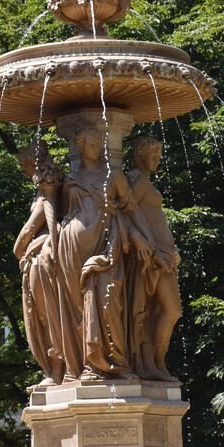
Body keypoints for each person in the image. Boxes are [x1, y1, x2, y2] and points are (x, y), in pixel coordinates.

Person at [56, 123, 154, 380]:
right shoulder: (70, 180)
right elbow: (61, 215)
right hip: (72, 248)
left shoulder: (114, 176)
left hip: (107, 246)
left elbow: (131, 210)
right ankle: (86, 366)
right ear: (79, 145)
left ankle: (116, 364)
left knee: (109, 299)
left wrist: (145, 239)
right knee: (78, 308)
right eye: (90, 144)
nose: (95, 148)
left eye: (98, 144)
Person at [127, 137, 182, 382]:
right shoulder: (137, 180)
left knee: (157, 311)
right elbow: (123, 213)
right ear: (139, 154)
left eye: (160, 153)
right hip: (153, 257)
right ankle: (156, 363)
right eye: (153, 153)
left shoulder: (144, 179)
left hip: (163, 255)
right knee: (171, 310)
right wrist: (151, 248)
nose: (158, 158)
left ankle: (155, 364)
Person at [13, 141, 65, 385]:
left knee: (47, 314)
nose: (27, 174)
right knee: (44, 314)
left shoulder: (47, 188)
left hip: (43, 260)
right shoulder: (47, 187)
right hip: (39, 257)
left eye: (26, 168)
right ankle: (56, 370)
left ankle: (57, 371)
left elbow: (29, 228)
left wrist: (18, 249)